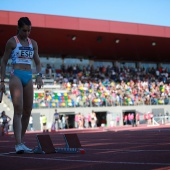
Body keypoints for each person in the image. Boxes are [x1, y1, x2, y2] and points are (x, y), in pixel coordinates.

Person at [0, 17, 43, 154]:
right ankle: (18, 143)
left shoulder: (33, 43)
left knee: (27, 111)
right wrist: (2, 81)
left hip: (29, 76)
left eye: (29, 30)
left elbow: (37, 62)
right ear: (18, 29)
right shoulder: (12, 42)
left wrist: (39, 76)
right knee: (18, 109)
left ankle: (21, 141)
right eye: (24, 30)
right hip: (16, 75)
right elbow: (4, 62)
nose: (27, 33)